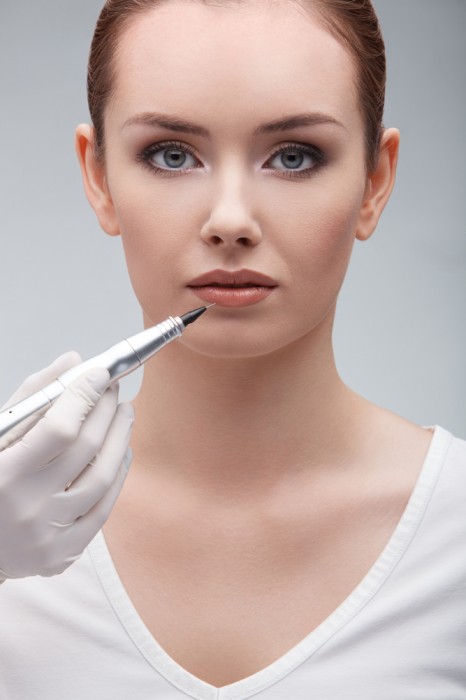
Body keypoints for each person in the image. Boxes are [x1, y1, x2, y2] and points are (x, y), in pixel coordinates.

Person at [0, 0, 465, 697]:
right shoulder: (14, 523)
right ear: (98, 177)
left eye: (294, 156)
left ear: (375, 181)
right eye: (172, 154)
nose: (230, 220)